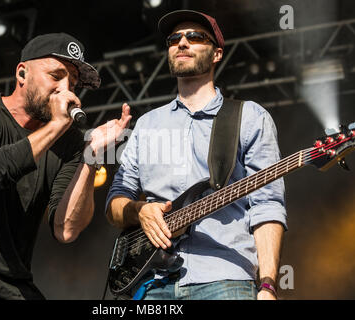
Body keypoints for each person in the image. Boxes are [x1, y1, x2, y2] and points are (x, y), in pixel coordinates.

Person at [0, 33, 131, 300]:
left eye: (73, 83)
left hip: (13, 286)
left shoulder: (70, 143)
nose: (66, 90)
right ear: (22, 74)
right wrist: (55, 126)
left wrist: (91, 157)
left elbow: (66, 230)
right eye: (56, 76)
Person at [106, 10, 286, 300]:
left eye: (195, 37)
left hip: (224, 278)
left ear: (216, 54)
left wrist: (267, 286)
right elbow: (115, 202)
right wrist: (139, 211)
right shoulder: (147, 124)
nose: (182, 43)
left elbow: (267, 206)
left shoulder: (249, 117)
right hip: (150, 283)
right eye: (174, 38)